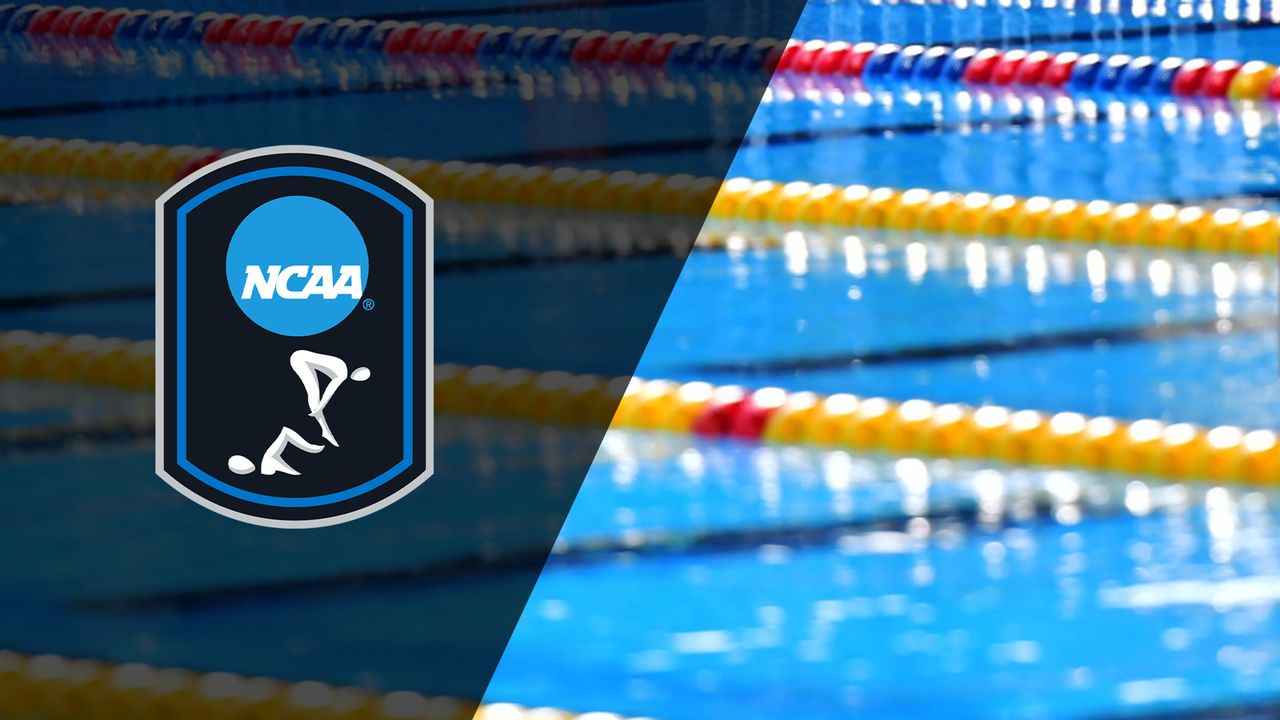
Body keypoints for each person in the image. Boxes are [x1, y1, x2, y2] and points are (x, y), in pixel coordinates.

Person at [227, 350, 371, 477]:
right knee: (314, 401)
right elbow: (330, 391)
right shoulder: (342, 373)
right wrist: (321, 407)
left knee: (313, 400)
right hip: (299, 360)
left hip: (298, 358)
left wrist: (320, 408)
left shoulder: (342, 368)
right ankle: (324, 432)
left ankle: (323, 432)